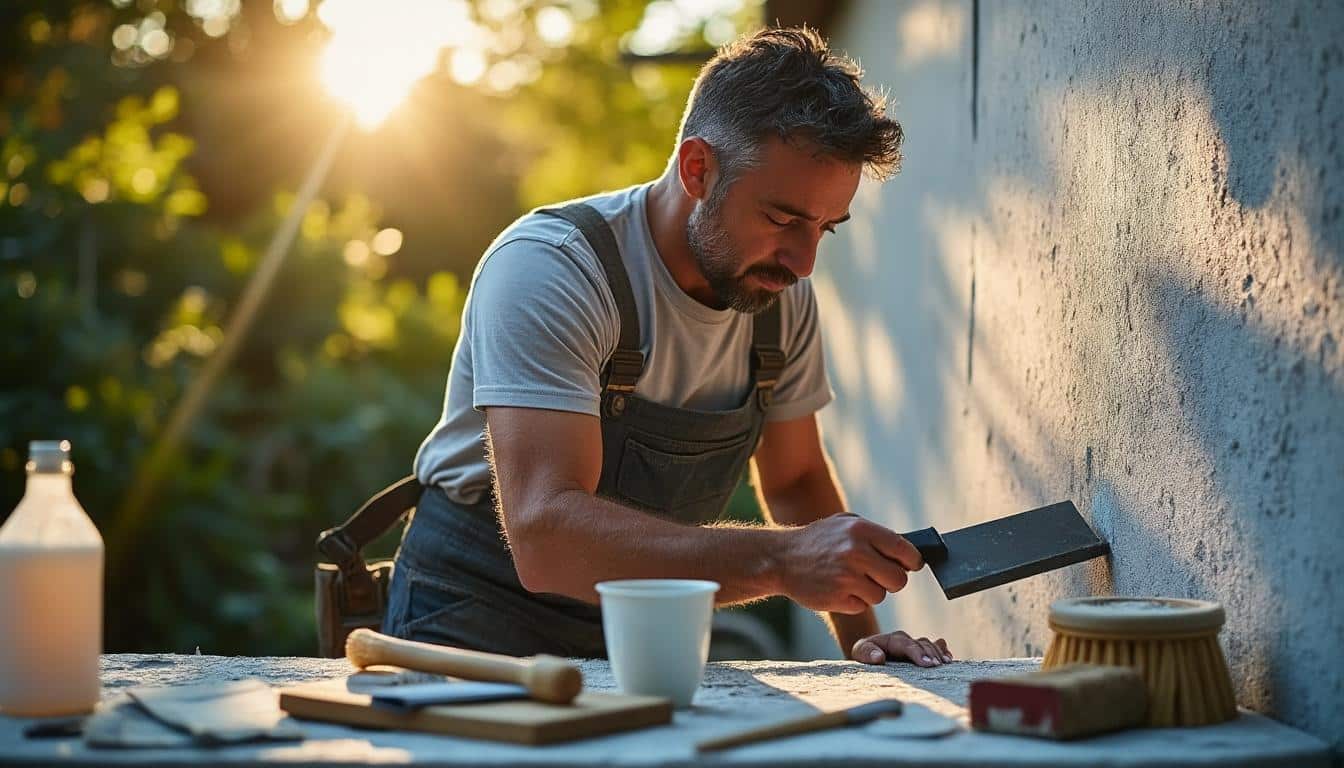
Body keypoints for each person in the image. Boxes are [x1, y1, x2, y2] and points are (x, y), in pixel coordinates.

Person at [382, 26, 953, 668]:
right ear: (698, 168)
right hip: (476, 619)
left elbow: (794, 479)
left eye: (826, 227)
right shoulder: (553, 271)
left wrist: (861, 639)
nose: (804, 261)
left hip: (650, 628)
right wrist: (779, 559)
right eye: (783, 218)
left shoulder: (774, 294)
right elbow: (544, 536)